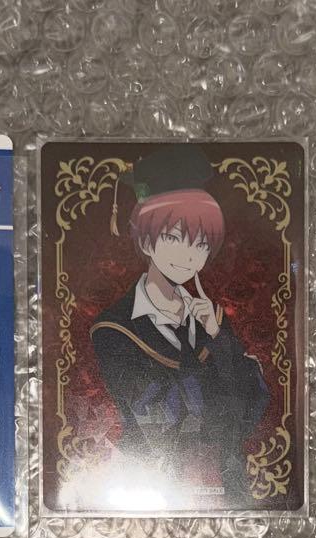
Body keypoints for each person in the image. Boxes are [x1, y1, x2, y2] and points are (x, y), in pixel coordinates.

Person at [89, 145, 269, 501]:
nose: (188, 256)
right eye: (173, 238)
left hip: (228, 490)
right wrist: (223, 364)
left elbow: (251, 408)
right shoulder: (113, 329)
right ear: (146, 240)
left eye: (200, 244)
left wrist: (217, 337)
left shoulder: (212, 321)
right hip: (154, 485)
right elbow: (158, 416)